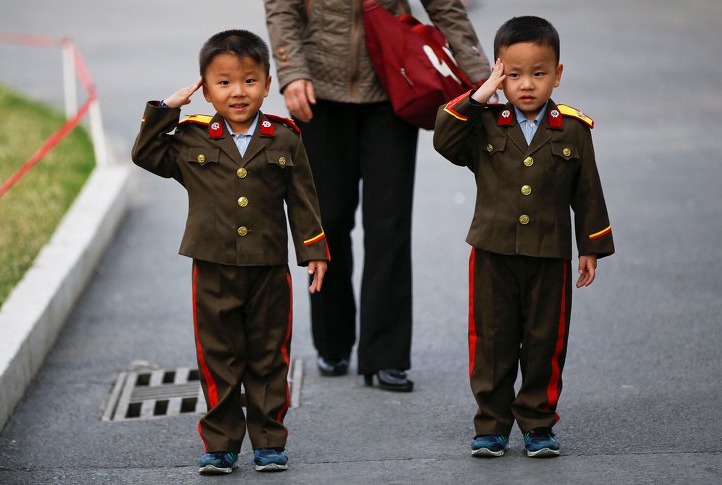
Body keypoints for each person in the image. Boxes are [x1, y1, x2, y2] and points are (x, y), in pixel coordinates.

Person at [264, 0, 491, 392]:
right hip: (319, 90)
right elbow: (282, 9)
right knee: (328, 220)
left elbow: (446, 8)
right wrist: (292, 70)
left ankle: (386, 353)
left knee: (389, 223)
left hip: (393, 84)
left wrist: (485, 81)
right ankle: (333, 340)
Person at [131, 29, 329, 475]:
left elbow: (303, 199)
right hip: (213, 265)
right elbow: (145, 155)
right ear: (204, 86)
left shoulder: (284, 137)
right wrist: (167, 109)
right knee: (218, 357)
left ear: (267, 82)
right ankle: (220, 445)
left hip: (268, 266)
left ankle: (268, 442)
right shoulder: (190, 138)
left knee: (268, 355)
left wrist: (314, 251)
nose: (238, 92)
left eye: (249, 80)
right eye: (223, 82)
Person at [433, 16, 615, 457]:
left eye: (539, 73)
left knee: (544, 341)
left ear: (558, 74)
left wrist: (589, 246)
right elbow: (444, 138)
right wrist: (482, 93)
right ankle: (491, 426)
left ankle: (537, 424)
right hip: (492, 253)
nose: (527, 84)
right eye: (513, 74)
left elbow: (587, 191)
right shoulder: (484, 123)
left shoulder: (572, 129)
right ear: (499, 72)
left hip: (549, 255)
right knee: (492, 340)